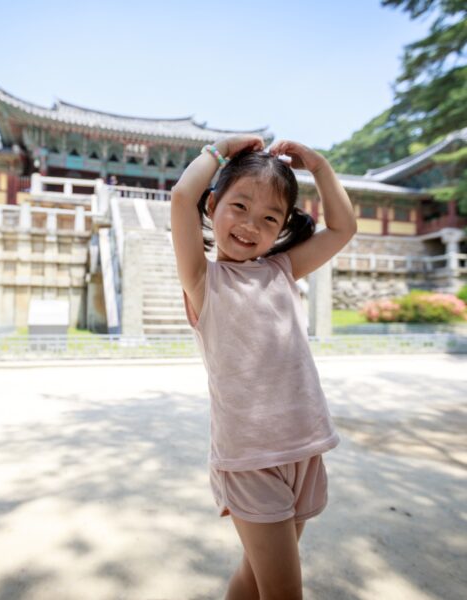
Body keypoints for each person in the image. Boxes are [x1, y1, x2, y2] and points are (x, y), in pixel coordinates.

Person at [170, 134, 357, 599]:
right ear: (213, 204)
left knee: (256, 577)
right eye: (239, 207)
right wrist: (217, 152)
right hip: (251, 458)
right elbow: (180, 196)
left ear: (283, 227)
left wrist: (320, 167)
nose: (251, 225)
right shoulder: (204, 281)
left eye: (269, 217)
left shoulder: (282, 270)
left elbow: (342, 229)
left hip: (303, 446)